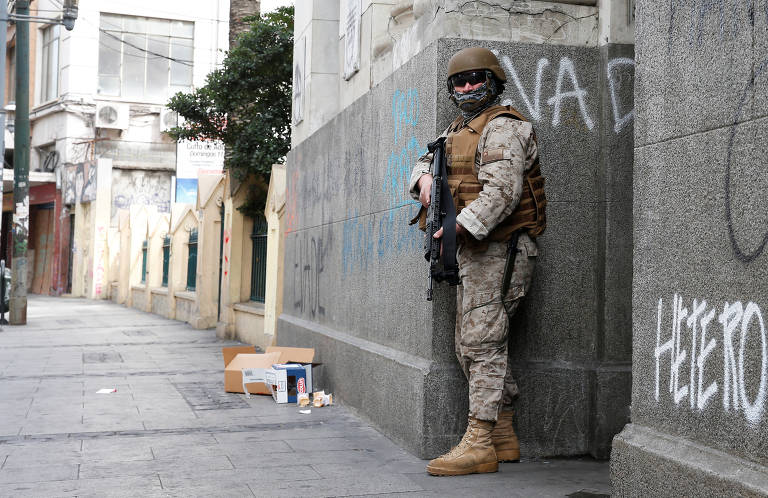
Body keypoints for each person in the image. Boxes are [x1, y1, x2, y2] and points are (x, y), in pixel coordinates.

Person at [408, 46, 546, 476]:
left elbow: (501, 194)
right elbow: (422, 162)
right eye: (459, 82)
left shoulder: (503, 127)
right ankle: (502, 434)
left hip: (499, 250)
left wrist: (455, 230)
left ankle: (480, 441)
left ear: (493, 82)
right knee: (472, 341)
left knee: (482, 343)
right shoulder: (457, 129)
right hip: (472, 253)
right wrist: (425, 177)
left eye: (476, 80)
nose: (467, 88)